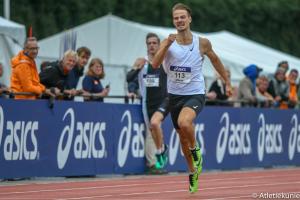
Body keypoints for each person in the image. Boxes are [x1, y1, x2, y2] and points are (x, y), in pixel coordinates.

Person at [152, 3, 232, 194]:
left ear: (189, 19)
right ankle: (192, 171)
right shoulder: (167, 42)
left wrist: (227, 82)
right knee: (181, 136)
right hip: (175, 95)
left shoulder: (202, 42)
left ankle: (196, 149)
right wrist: (166, 47)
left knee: (184, 123)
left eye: (182, 17)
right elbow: (155, 64)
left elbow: (215, 60)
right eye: (176, 18)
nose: (179, 20)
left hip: (195, 93)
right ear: (174, 21)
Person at [126, 32, 170, 170]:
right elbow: (128, 78)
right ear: (146, 45)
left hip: (163, 101)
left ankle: (157, 155)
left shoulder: (165, 60)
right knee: (153, 130)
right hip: (146, 103)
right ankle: (162, 148)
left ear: (158, 45)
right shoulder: (141, 61)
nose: (151, 45)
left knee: (155, 123)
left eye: (154, 43)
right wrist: (138, 69)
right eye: (149, 43)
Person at [126, 69, 167, 175]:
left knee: (156, 131)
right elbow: (132, 79)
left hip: (160, 104)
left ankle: (157, 160)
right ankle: (152, 164)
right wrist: (132, 90)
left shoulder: (165, 65)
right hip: (148, 105)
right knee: (152, 133)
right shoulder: (144, 64)